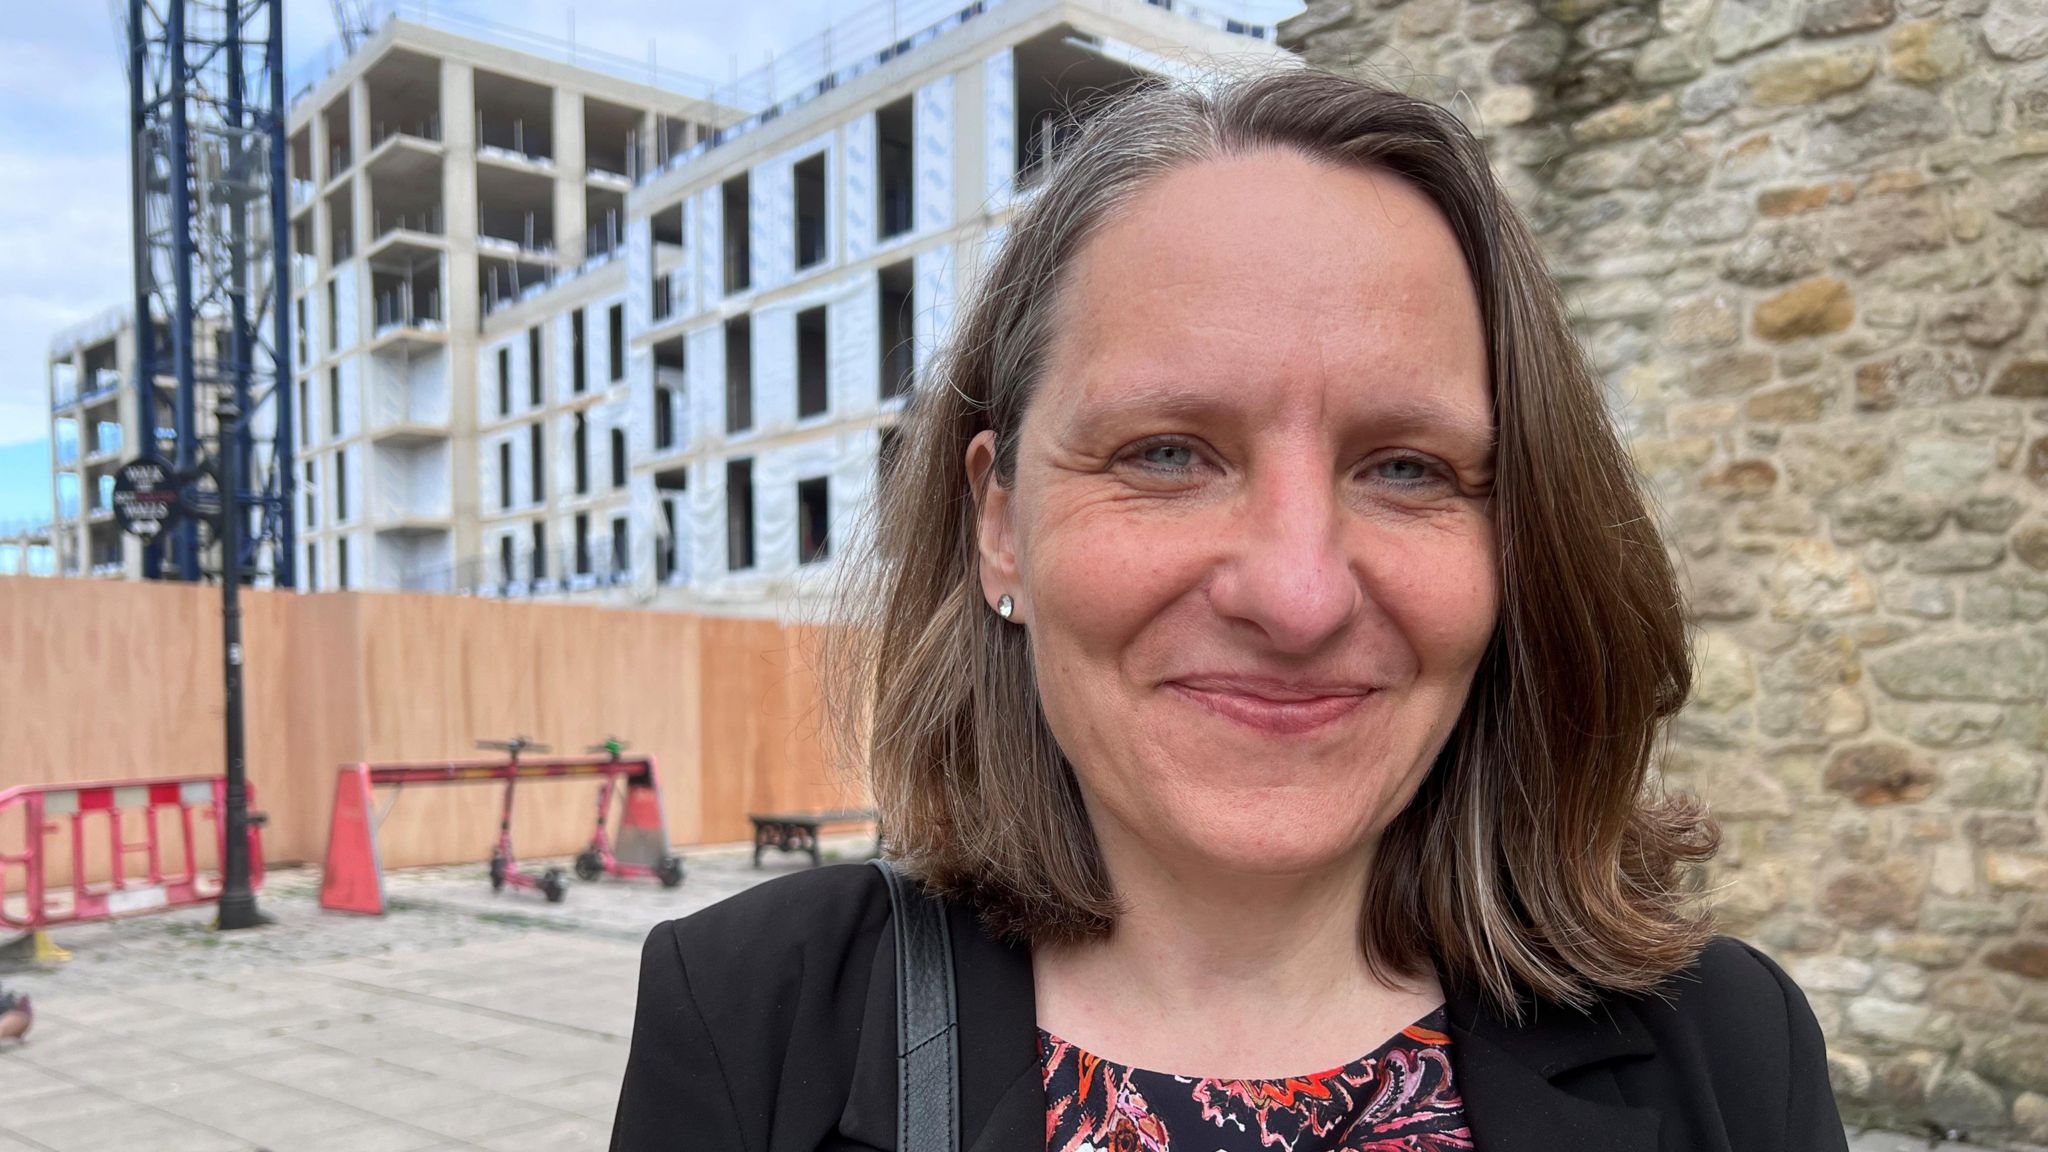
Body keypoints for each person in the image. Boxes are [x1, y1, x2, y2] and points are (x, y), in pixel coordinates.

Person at [611, 67, 1847, 1152]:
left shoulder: (1728, 1054)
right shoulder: (748, 1018)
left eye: (1405, 468)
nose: (1297, 594)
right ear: (1000, 525)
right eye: (1164, 454)